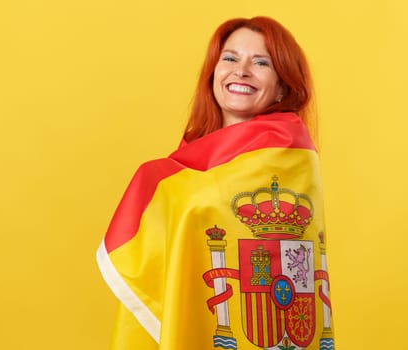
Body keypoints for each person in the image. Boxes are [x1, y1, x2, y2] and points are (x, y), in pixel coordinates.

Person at [97, 16, 335, 350]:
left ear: (283, 85)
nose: (241, 71)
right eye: (230, 58)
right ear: (213, 73)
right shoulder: (182, 169)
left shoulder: (291, 159)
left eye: (261, 62)